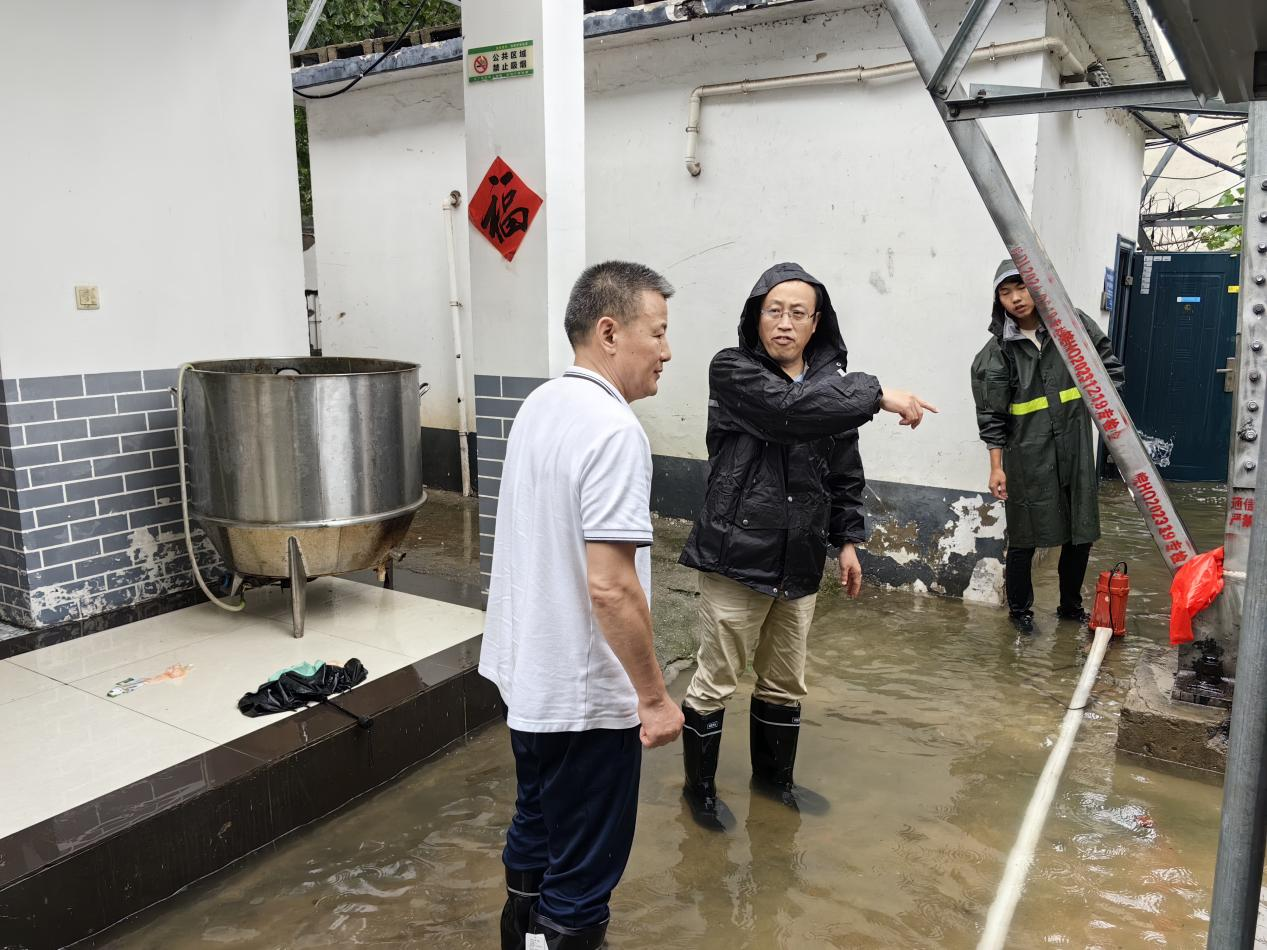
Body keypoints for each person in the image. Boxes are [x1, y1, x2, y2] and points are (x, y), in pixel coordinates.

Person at [677, 261, 936, 826]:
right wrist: (878, 394)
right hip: (735, 556)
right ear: (756, 316)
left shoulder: (834, 392)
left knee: (784, 680)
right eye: (774, 310)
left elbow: (844, 472)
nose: (785, 323)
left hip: (799, 559)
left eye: (798, 313)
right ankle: (697, 790)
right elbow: (787, 413)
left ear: (816, 323)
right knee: (716, 679)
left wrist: (846, 541)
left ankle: (774, 784)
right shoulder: (733, 371)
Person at [480, 261, 684, 950]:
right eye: (656, 333)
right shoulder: (615, 431)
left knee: (535, 831)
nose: (666, 350)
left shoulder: (540, 406)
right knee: (583, 878)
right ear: (608, 331)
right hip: (586, 697)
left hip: (531, 685)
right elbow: (611, 585)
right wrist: (654, 699)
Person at [970, 260, 1125, 633]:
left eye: (1020, 288)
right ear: (998, 302)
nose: (1015, 298)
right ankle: (1020, 613)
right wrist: (996, 467)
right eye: (1005, 293)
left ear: (1036, 288)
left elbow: (1109, 370)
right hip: (1027, 455)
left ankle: (1070, 607)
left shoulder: (1073, 327)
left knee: (1079, 533)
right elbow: (992, 416)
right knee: (1024, 538)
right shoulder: (996, 355)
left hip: (1074, 450)